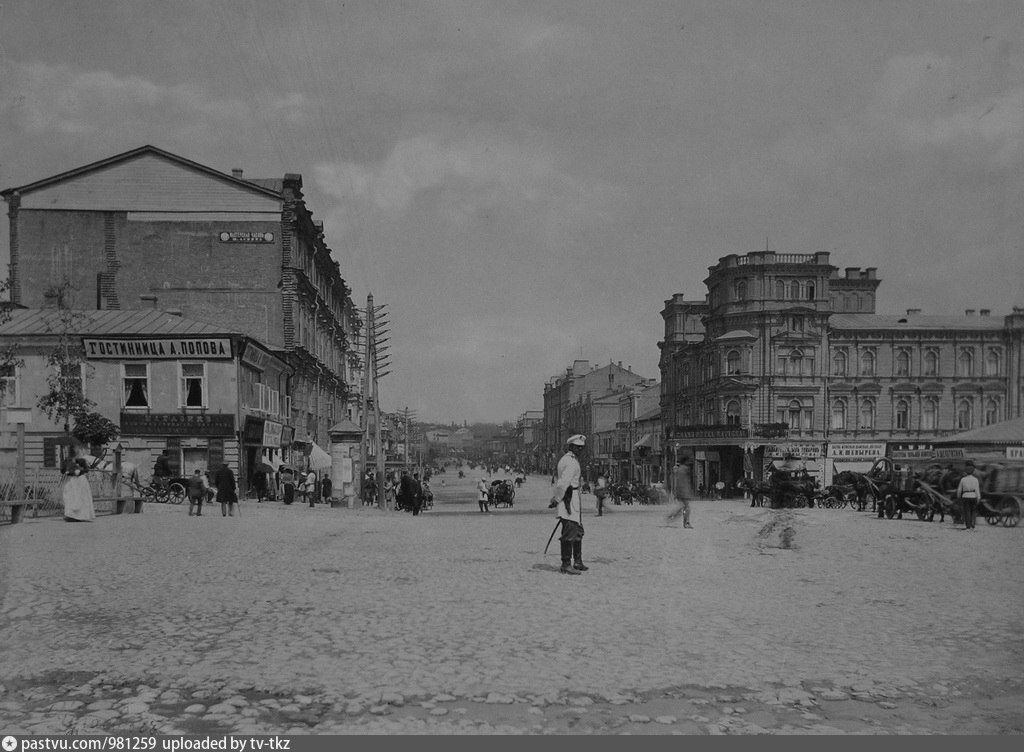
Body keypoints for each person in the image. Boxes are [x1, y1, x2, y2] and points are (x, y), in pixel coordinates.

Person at [549, 434, 588, 575]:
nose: (580, 450)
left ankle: (577, 561)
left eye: (581, 448)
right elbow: (563, 482)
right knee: (569, 531)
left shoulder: (569, 459)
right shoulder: (570, 462)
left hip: (573, 498)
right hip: (568, 499)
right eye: (577, 447)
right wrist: (557, 498)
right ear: (570, 447)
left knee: (577, 530)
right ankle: (566, 564)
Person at [61, 445, 96, 522]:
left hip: (80, 480)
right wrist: (66, 471)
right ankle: (70, 515)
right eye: (72, 450)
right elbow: (62, 470)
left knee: (80, 497)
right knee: (69, 496)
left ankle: (81, 515)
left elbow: (86, 470)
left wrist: (80, 471)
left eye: (75, 450)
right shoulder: (67, 460)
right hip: (70, 481)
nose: (74, 451)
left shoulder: (81, 460)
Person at [666, 455, 695, 528]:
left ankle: (673, 516)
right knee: (686, 508)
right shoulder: (684, 469)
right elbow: (683, 482)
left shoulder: (680, 470)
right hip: (683, 491)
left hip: (681, 491)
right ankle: (686, 522)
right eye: (688, 461)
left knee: (683, 507)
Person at [956, 460, 982, 530]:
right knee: (973, 511)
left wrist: (958, 497)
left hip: (965, 496)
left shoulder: (963, 479)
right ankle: (973, 525)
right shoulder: (975, 480)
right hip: (973, 496)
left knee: (967, 511)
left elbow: (959, 490)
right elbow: (977, 490)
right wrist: (978, 498)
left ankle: (968, 526)